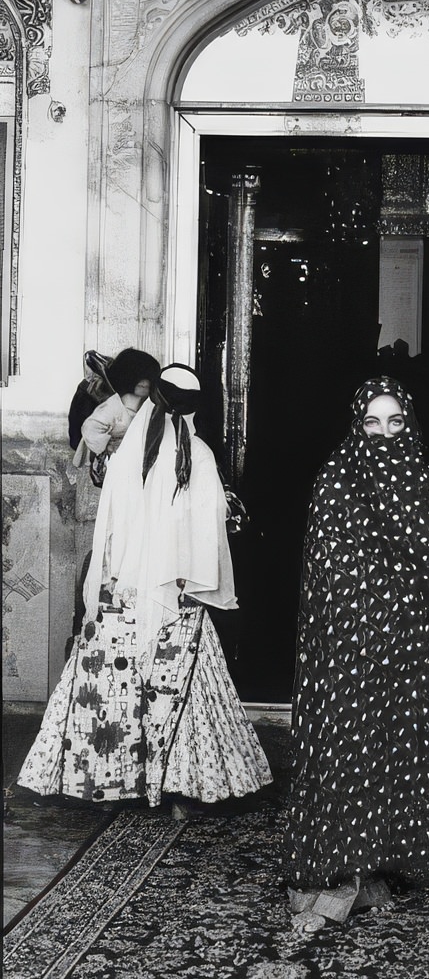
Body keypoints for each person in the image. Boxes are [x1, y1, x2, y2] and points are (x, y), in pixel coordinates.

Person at [19, 363, 272, 811]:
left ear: (154, 398)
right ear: (195, 410)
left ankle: (108, 785)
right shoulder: (201, 456)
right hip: (177, 597)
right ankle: (181, 781)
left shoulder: (125, 456)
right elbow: (209, 539)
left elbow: (110, 533)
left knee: (111, 686)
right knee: (183, 687)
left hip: (120, 595)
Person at [287, 377, 429, 933]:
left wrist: (402, 614)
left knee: (400, 738)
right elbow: (324, 566)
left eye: (395, 422)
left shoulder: (421, 479)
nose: (384, 434)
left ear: (409, 424)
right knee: (352, 742)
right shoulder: (337, 480)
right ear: (358, 426)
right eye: (372, 424)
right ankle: (346, 862)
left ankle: (388, 856)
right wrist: (365, 614)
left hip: (410, 643)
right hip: (349, 643)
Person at [75, 347, 162, 484]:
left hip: (134, 467)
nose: (144, 383)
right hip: (114, 468)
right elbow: (90, 428)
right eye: (139, 378)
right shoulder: (114, 406)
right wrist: (108, 446)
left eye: (148, 378)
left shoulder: (148, 407)